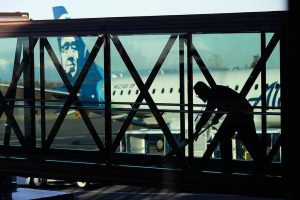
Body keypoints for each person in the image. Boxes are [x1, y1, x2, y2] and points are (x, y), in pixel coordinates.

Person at [193, 81, 267, 173]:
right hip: (243, 113)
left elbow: (206, 115)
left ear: (202, 91)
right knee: (249, 140)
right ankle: (261, 165)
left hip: (238, 115)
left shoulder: (213, 96)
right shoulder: (217, 91)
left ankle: (228, 166)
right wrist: (216, 117)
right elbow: (223, 106)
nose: (199, 97)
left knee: (225, 137)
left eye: (198, 94)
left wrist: (197, 130)